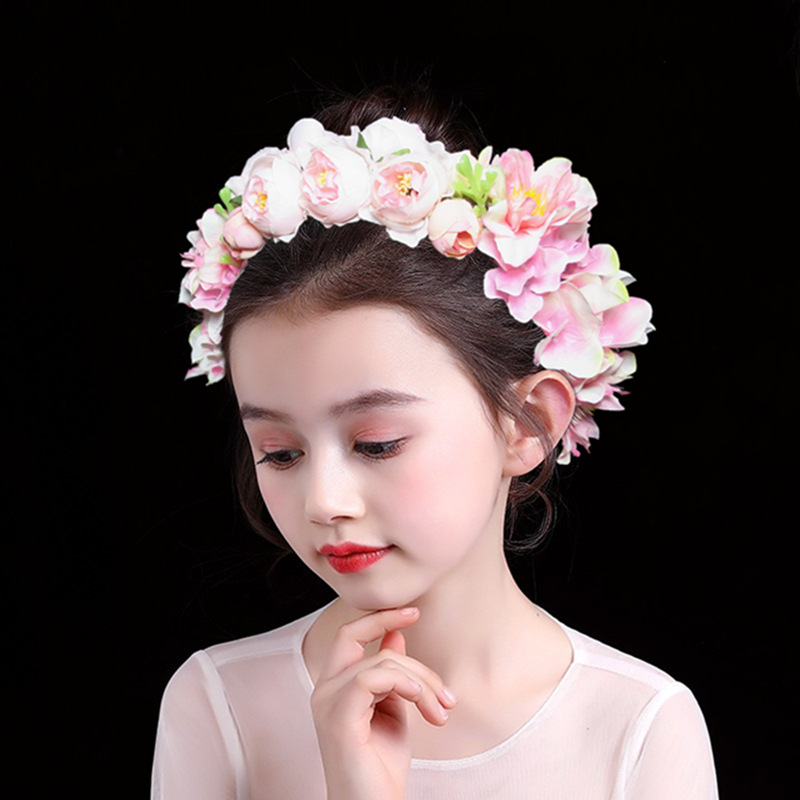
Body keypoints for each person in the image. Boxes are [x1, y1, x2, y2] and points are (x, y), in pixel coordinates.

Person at [152, 88, 718, 799]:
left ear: (527, 423)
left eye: (377, 443)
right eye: (281, 452)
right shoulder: (221, 705)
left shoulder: (636, 727)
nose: (325, 502)